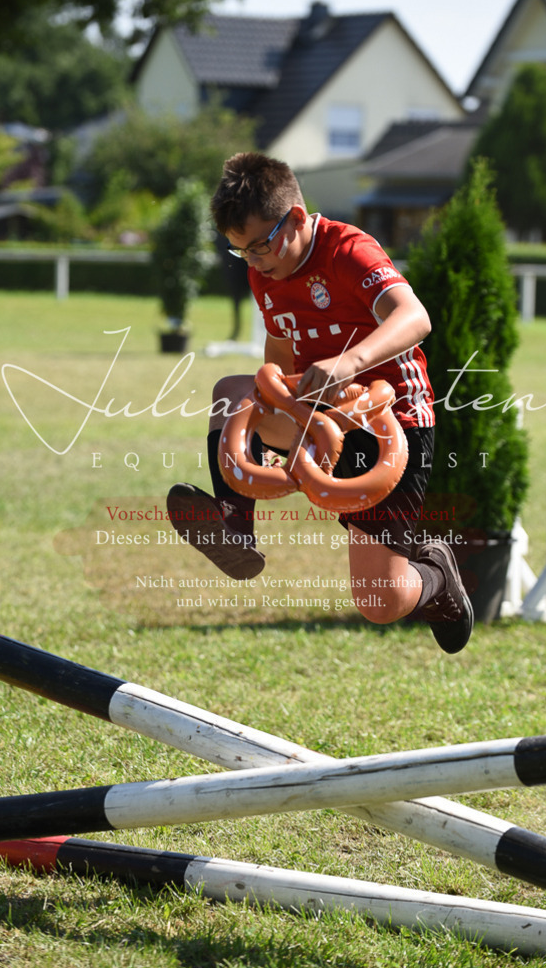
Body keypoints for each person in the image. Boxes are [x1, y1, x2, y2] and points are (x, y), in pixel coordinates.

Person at [168, 152, 473, 654]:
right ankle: (233, 524)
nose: (254, 262)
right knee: (231, 392)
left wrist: (350, 362)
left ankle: (437, 576)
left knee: (380, 601)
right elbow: (279, 352)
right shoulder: (265, 269)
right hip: (319, 416)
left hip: (390, 421)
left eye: (260, 246)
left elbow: (415, 317)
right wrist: (274, 409)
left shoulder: (348, 250)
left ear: (295, 218)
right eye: (241, 252)